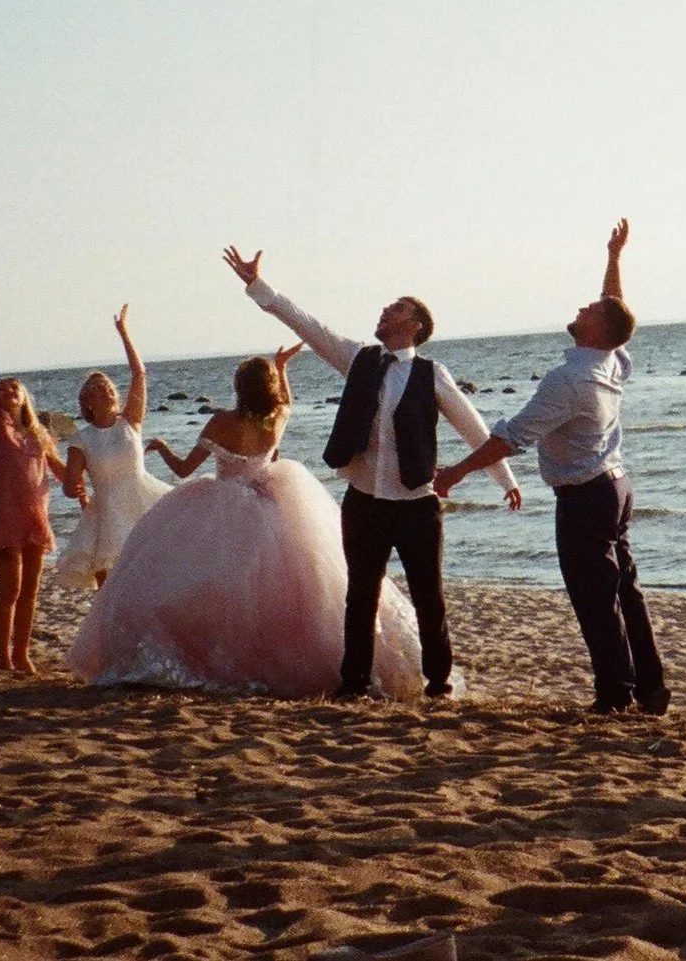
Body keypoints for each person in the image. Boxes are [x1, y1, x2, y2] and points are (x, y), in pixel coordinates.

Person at [224, 243, 522, 701]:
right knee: (360, 596)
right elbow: (307, 324)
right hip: (363, 500)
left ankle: (438, 683)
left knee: (429, 598)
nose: (384, 312)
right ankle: (355, 682)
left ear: (415, 326)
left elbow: (472, 426)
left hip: (417, 504)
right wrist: (257, 286)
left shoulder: (431, 373)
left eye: (395, 309)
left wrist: (505, 480)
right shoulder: (359, 358)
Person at [70, 344, 428, 696]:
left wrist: (162, 447)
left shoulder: (221, 421)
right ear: (268, 389)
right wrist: (282, 369)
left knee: (211, 584)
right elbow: (287, 403)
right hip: (269, 502)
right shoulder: (277, 418)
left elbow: (183, 470)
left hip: (221, 506)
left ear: (239, 388)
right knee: (285, 587)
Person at [436, 219, 669, 715]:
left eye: (588, 309)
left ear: (597, 328)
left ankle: (615, 695)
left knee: (596, 599)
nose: (581, 307)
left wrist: (455, 472)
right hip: (615, 488)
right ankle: (650, 688)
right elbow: (615, 310)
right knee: (625, 590)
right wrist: (613, 257)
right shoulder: (610, 359)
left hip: (587, 497)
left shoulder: (571, 378)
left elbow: (511, 437)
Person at [50, 305, 175, 592]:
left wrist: (124, 333)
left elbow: (139, 375)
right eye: (96, 388)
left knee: (153, 581)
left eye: (106, 385)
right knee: (111, 589)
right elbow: (70, 486)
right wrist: (73, 488)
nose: (104, 389)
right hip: (107, 513)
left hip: (143, 500)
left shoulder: (130, 422)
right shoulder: (81, 439)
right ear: (87, 402)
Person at [0, 314, 60, 674]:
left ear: (26, 397)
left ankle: (22, 652)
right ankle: (4, 656)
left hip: (36, 513)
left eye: (16, 388)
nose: (9, 392)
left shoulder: (38, 432)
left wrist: (86, 484)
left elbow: (60, 469)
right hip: (6, 514)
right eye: (5, 389)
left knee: (30, 592)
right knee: (10, 589)